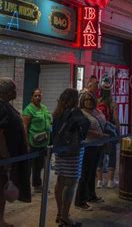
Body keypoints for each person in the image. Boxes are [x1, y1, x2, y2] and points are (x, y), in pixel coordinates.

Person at [0, 77, 31, 227]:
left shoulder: (4, 105)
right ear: (8, 92)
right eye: (14, 89)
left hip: (4, 157)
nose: (15, 92)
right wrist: (5, 156)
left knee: (1, 189)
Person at [52, 88, 90, 227]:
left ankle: (59, 213)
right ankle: (65, 216)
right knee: (71, 183)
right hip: (73, 152)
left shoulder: (57, 113)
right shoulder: (75, 112)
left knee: (60, 181)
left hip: (60, 151)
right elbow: (86, 124)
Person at [74, 91, 107, 210]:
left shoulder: (97, 111)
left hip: (99, 145)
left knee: (92, 172)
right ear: (82, 101)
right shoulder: (81, 113)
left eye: (90, 99)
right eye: (86, 99)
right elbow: (80, 129)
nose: (88, 101)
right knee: (85, 173)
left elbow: (104, 122)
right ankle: (80, 200)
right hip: (88, 145)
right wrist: (97, 134)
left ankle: (91, 195)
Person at [22, 89, 52, 193]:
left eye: (39, 95)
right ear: (31, 97)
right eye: (35, 96)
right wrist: (26, 143)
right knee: (29, 165)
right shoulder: (28, 109)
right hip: (32, 142)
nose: (38, 97)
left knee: (39, 166)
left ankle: (37, 185)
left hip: (44, 142)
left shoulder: (44, 107)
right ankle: (25, 188)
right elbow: (25, 127)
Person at [96, 78, 120, 189]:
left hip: (99, 132)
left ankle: (99, 181)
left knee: (99, 156)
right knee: (112, 156)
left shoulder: (97, 101)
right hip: (110, 133)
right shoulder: (113, 103)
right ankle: (110, 181)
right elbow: (115, 119)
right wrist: (118, 131)